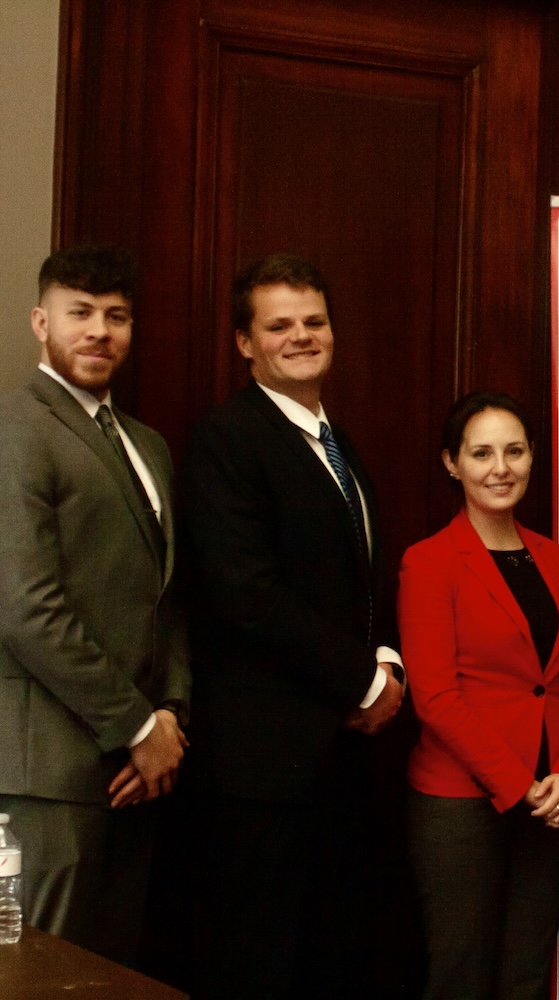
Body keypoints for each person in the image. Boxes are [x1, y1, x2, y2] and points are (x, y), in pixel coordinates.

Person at [182, 253, 406, 999]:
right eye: (280, 325)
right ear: (246, 343)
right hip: (262, 773)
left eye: (314, 321)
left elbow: (358, 577)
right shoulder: (228, 439)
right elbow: (245, 595)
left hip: (339, 766)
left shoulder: (337, 442)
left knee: (332, 966)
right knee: (261, 971)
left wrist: (385, 659)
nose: (302, 336)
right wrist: (362, 679)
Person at [0, 245, 189, 965]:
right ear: (41, 322)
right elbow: (25, 605)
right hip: (46, 776)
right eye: (80, 314)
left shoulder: (148, 446)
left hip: (138, 775)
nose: (99, 331)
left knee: (107, 982)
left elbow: (167, 602)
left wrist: (167, 717)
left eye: (116, 316)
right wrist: (136, 722)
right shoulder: (15, 428)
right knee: (33, 978)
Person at [399, 391, 559, 1000]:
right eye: (481, 453)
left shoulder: (554, 558)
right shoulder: (429, 562)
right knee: (460, 973)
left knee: (525, 972)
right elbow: (435, 698)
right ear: (451, 463)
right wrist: (520, 784)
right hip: (463, 801)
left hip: (550, 800)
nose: (500, 467)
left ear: (533, 457)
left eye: (514, 451)